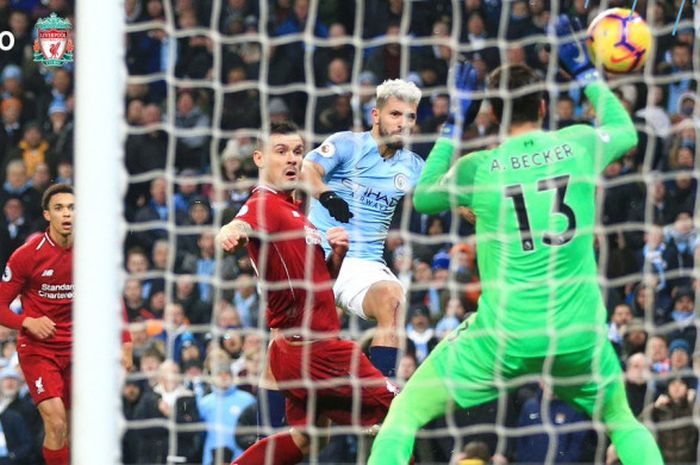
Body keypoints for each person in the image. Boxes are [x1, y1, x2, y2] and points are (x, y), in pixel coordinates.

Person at [367, 16, 664, 465]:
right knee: (622, 419)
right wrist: (585, 74)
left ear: (493, 114)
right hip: (576, 334)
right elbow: (625, 131)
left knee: (404, 415)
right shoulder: (578, 143)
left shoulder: (480, 167)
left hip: (503, 338)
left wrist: (454, 122)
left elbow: (424, 197)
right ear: (543, 108)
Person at [217, 121, 398, 465]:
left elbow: (319, 287)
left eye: (298, 152)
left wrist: (337, 258)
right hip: (315, 351)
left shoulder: (300, 217)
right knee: (401, 411)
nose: (292, 160)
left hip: (299, 349)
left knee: (309, 438)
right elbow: (240, 223)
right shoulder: (265, 204)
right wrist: (230, 233)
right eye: (281, 152)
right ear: (258, 158)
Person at [0, 184, 134, 465]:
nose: (67, 214)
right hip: (39, 350)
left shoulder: (93, 253)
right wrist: (27, 322)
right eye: (59, 208)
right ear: (48, 215)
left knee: (77, 431)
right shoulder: (27, 256)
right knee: (57, 423)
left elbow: (112, 298)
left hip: (79, 350)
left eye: (72, 207)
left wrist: (125, 343)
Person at [301, 78, 425, 378]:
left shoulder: (413, 166)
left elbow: (445, 197)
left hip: (362, 263)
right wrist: (327, 195)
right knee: (288, 346)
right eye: (395, 114)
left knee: (393, 298)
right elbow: (308, 168)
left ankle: (381, 395)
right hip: (317, 256)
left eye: (410, 117)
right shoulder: (347, 143)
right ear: (376, 115)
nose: (403, 123)